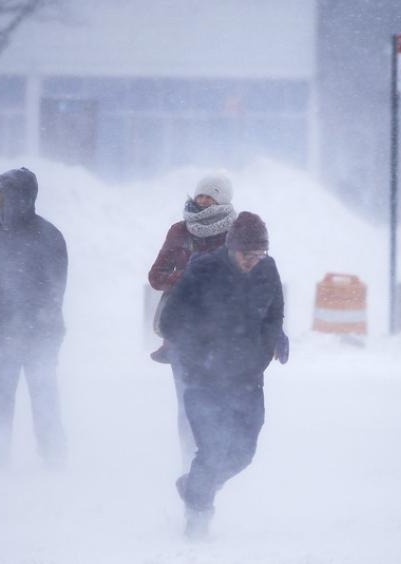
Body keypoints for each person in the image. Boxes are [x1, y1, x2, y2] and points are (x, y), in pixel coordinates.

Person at [159, 211, 288, 540]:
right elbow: (170, 321)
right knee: (212, 449)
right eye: (248, 255)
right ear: (231, 249)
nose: (253, 261)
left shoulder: (267, 270)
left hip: (247, 378)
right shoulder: (203, 269)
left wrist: (269, 344)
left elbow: (274, 314)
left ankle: (193, 487)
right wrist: (200, 352)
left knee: (243, 452)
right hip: (204, 379)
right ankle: (197, 518)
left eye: (260, 255)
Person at [0, 167, 68, 469]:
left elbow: (55, 290)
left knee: (43, 392)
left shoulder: (48, 236)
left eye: (10, 196)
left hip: (40, 333)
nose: (3, 203)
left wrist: (39, 324)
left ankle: (54, 456)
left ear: (28, 198)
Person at [148, 172, 237, 471]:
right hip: (182, 333)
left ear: (222, 199)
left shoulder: (236, 234)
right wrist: (184, 278)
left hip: (223, 333)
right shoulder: (179, 231)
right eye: (201, 196)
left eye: (211, 196)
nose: (203, 201)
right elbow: (156, 276)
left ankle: (215, 460)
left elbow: (250, 275)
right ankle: (190, 464)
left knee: (219, 402)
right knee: (187, 405)